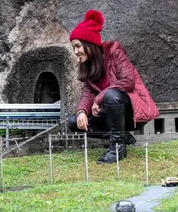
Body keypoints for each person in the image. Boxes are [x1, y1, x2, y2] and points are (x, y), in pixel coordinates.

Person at [67, 10, 159, 163]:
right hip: (111, 116)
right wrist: (82, 111)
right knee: (73, 122)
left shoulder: (115, 53)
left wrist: (99, 98)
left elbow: (128, 81)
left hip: (130, 113)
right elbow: (87, 93)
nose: (76, 51)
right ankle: (121, 136)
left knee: (112, 95)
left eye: (78, 46)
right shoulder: (89, 66)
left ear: (89, 44)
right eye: (74, 48)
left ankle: (117, 150)